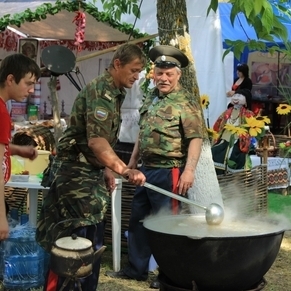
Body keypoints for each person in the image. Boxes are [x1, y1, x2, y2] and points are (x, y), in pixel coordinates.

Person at [35, 43, 147, 291]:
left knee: (90, 243)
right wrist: (123, 170)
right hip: (76, 177)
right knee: (72, 247)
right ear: (117, 64)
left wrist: (106, 168)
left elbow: (98, 139)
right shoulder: (101, 91)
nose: (137, 76)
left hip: (88, 176)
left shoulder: (116, 91)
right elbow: (96, 142)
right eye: (134, 69)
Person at [106, 45, 204, 289]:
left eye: (169, 74)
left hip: (169, 171)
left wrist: (189, 170)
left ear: (178, 75)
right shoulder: (150, 97)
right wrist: (131, 162)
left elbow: (195, 139)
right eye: (159, 73)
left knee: (167, 226)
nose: (163, 78)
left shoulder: (186, 102)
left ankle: (168, 276)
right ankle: (136, 270)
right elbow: (143, 131)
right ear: (153, 74)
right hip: (144, 170)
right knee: (137, 221)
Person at [0, 53, 40, 241]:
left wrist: (18, 150)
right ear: (10, 79)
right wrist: (1, 216)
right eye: (28, 83)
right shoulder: (1, 112)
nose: (31, 90)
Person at [211, 88, 255, 175]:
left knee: (233, 154)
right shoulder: (226, 112)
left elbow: (252, 128)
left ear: (246, 101)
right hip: (225, 137)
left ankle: (231, 174)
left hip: (238, 139)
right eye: (234, 95)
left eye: (239, 96)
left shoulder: (248, 114)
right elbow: (217, 125)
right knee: (215, 151)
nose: (236, 98)